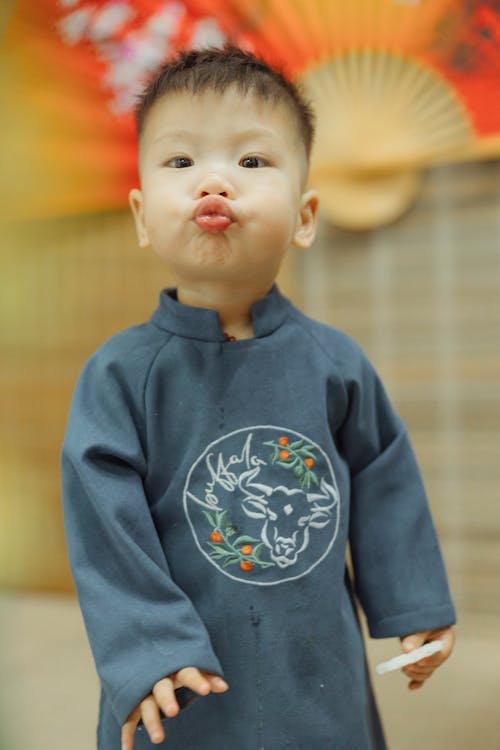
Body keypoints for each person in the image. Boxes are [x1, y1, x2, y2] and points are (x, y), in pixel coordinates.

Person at [61, 45, 456, 750]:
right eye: (181, 162)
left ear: (304, 217)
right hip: (183, 681)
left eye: (251, 161)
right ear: (143, 215)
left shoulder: (336, 364)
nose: (216, 179)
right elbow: (104, 532)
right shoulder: (118, 376)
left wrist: (412, 604)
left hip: (315, 668)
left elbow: (384, 479)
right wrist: (149, 648)